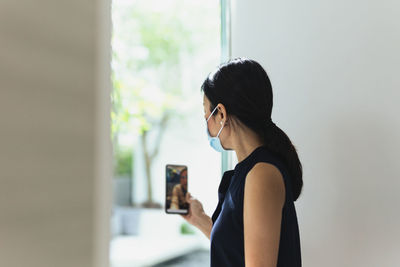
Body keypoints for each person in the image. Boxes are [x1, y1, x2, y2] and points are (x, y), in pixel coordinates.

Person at [181, 57, 303, 267]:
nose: (206, 124)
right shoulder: (248, 173)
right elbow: (238, 252)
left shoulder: (261, 174)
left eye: (205, 114)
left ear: (221, 113)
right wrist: (201, 220)